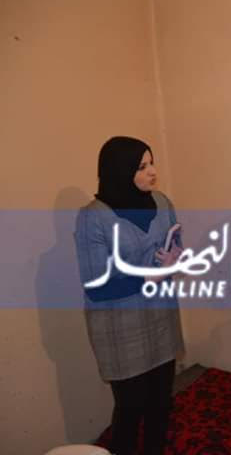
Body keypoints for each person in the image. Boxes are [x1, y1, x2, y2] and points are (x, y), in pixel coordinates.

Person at [74, 136, 184, 455]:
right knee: (131, 407)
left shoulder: (161, 202)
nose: (152, 172)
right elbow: (96, 285)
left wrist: (175, 257)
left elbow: (177, 245)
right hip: (121, 329)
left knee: (161, 402)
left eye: (152, 163)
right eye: (141, 166)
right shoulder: (93, 217)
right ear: (120, 171)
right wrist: (149, 276)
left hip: (161, 318)